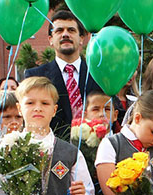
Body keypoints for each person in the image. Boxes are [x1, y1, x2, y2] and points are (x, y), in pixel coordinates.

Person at [25, 10, 102, 138]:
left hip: (94, 150)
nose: (65, 34)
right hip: (50, 151)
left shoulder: (98, 75)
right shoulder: (36, 76)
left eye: (71, 30)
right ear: (50, 39)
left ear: (82, 38)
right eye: (59, 31)